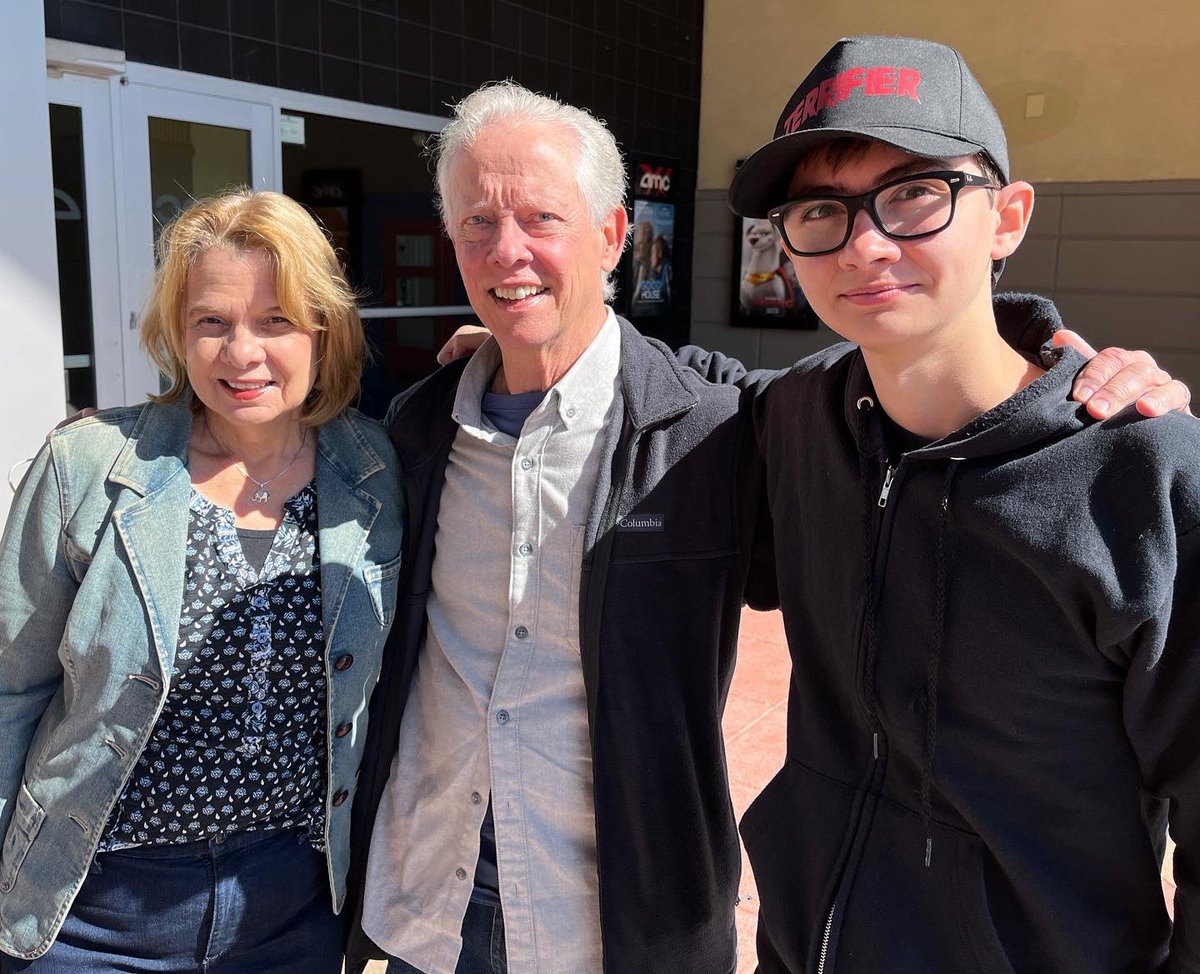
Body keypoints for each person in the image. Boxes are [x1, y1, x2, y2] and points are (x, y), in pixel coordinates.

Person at [344, 80, 1186, 974]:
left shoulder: (716, 430)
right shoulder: (415, 428)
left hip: (619, 925)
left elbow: (904, 383)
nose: (507, 249)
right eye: (478, 222)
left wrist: (1066, 369)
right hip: (430, 909)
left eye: (542, 217)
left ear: (613, 236)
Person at [715, 34, 1200, 972]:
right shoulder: (798, 421)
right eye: (821, 210)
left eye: (913, 195)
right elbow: (676, 394)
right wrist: (524, 337)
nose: (865, 243)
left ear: (1007, 216)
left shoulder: (1139, 471)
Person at [0, 190, 403, 972]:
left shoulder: (378, 472)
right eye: (211, 322)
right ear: (176, 336)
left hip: (290, 905)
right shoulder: (89, 466)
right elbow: (10, 690)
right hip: (92, 908)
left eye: (275, 321)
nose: (241, 353)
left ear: (323, 330)